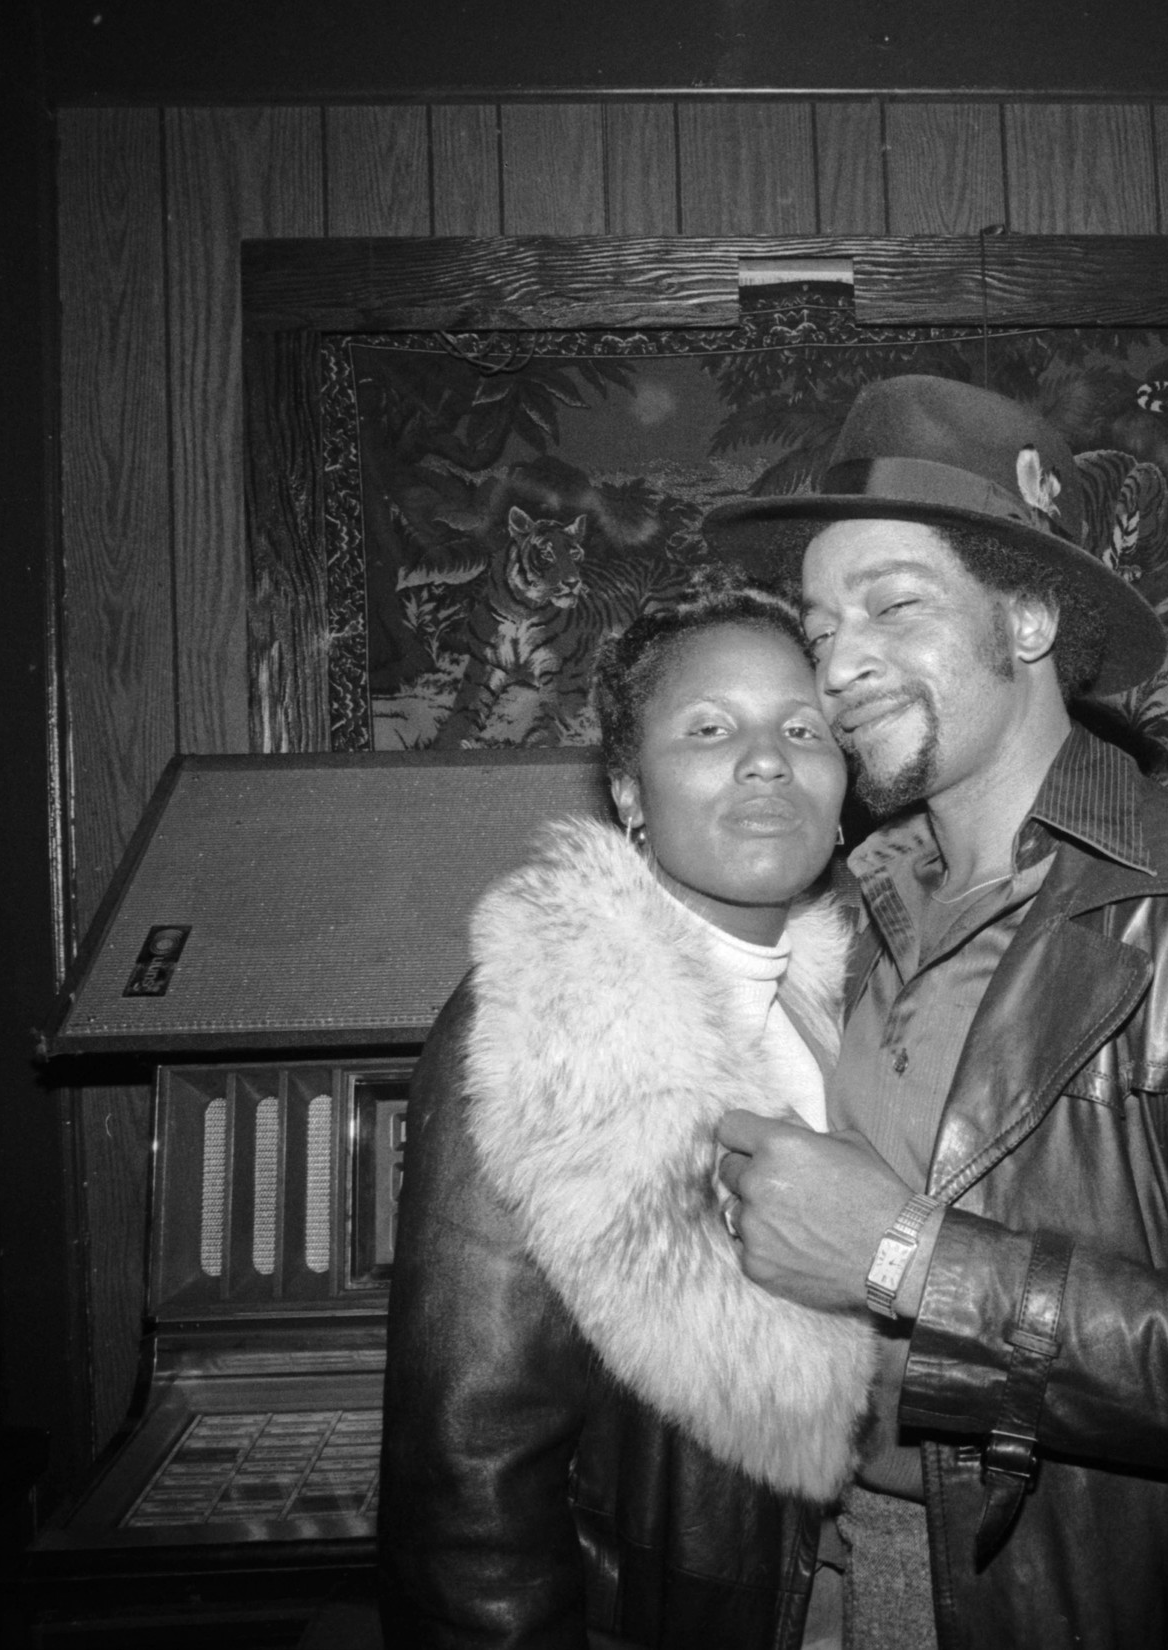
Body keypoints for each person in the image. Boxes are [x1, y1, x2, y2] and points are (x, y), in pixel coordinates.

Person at [703, 375, 1168, 1649]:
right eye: (819, 627)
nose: (839, 664)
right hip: (816, 1571)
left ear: (1029, 617)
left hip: (1067, 1594)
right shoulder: (842, 914)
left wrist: (908, 1259)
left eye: (893, 605)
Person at [380, 577, 874, 1648]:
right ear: (629, 791)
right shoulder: (545, 1018)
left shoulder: (864, 1006)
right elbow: (469, 1469)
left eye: (804, 729)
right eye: (709, 728)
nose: (767, 758)